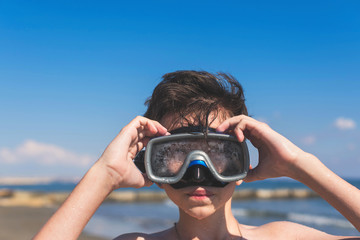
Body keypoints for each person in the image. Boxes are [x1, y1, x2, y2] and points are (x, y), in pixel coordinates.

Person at [34, 70, 360, 240]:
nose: (198, 172)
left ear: (242, 160)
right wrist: (103, 175)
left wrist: (300, 164)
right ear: (151, 162)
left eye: (217, 152)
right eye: (176, 152)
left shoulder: (285, 237)